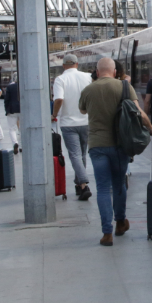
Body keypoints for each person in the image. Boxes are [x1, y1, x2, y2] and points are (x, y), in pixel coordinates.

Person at [79, 57, 152, 247]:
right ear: (114, 72)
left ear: (97, 72)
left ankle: (107, 233)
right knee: (119, 184)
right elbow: (139, 113)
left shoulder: (88, 89)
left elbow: (82, 111)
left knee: (103, 188)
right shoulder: (124, 87)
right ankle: (121, 222)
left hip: (97, 146)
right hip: (120, 145)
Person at [52, 54, 93, 200]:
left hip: (68, 123)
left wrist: (54, 114)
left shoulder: (60, 79)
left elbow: (59, 99)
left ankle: (84, 184)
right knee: (82, 154)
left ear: (63, 66)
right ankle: (78, 185)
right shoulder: (88, 77)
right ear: (77, 64)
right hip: (86, 121)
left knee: (75, 155)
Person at [5, 75, 20, 154]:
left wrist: (7, 110)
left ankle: (15, 143)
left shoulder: (10, 87)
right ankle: (22, 146)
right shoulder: (24, 86)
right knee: (22, 129)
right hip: (22, 110)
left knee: (12, 129)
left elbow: (6, 99)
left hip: (12, 110)